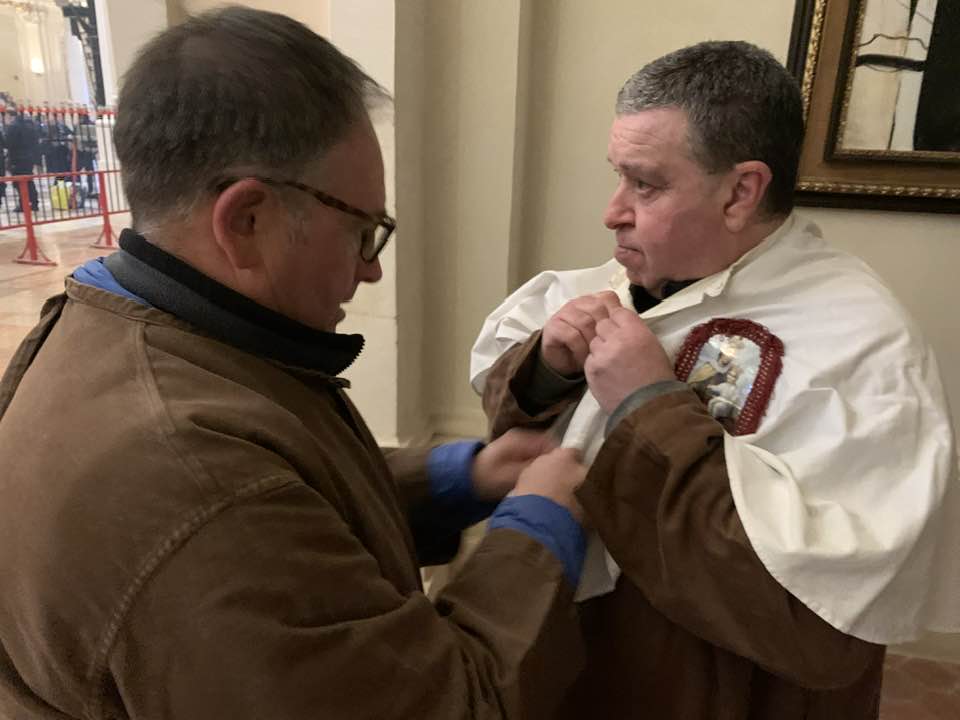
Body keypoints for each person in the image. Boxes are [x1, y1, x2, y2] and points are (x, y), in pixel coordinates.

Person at [0, 8, 590, 719]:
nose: (371, 270)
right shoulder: (186, 471)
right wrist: (538, 530)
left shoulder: (126, 321)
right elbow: (446, 706)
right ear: (245, 220)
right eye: (362, 231)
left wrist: (455, 479)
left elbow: (286, 516)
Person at [471, 41, 959, 719]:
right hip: (577, 665)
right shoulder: (604, 287)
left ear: (740, 192)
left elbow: (819, 617)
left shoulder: (864, 350)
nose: (613, 211)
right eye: (618, 177)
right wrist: (548, 370)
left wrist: (648, 403)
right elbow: (521, 439)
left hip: (714, 687)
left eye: (645, 184)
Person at [3, 107, 39, 211]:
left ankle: (24, 204)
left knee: (19, 183)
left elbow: (8, 143)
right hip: (29, 157)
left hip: (17, 158)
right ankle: (34, 202)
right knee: (29, 181)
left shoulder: (13, 126)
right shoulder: (28, 125)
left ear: (9, 116)